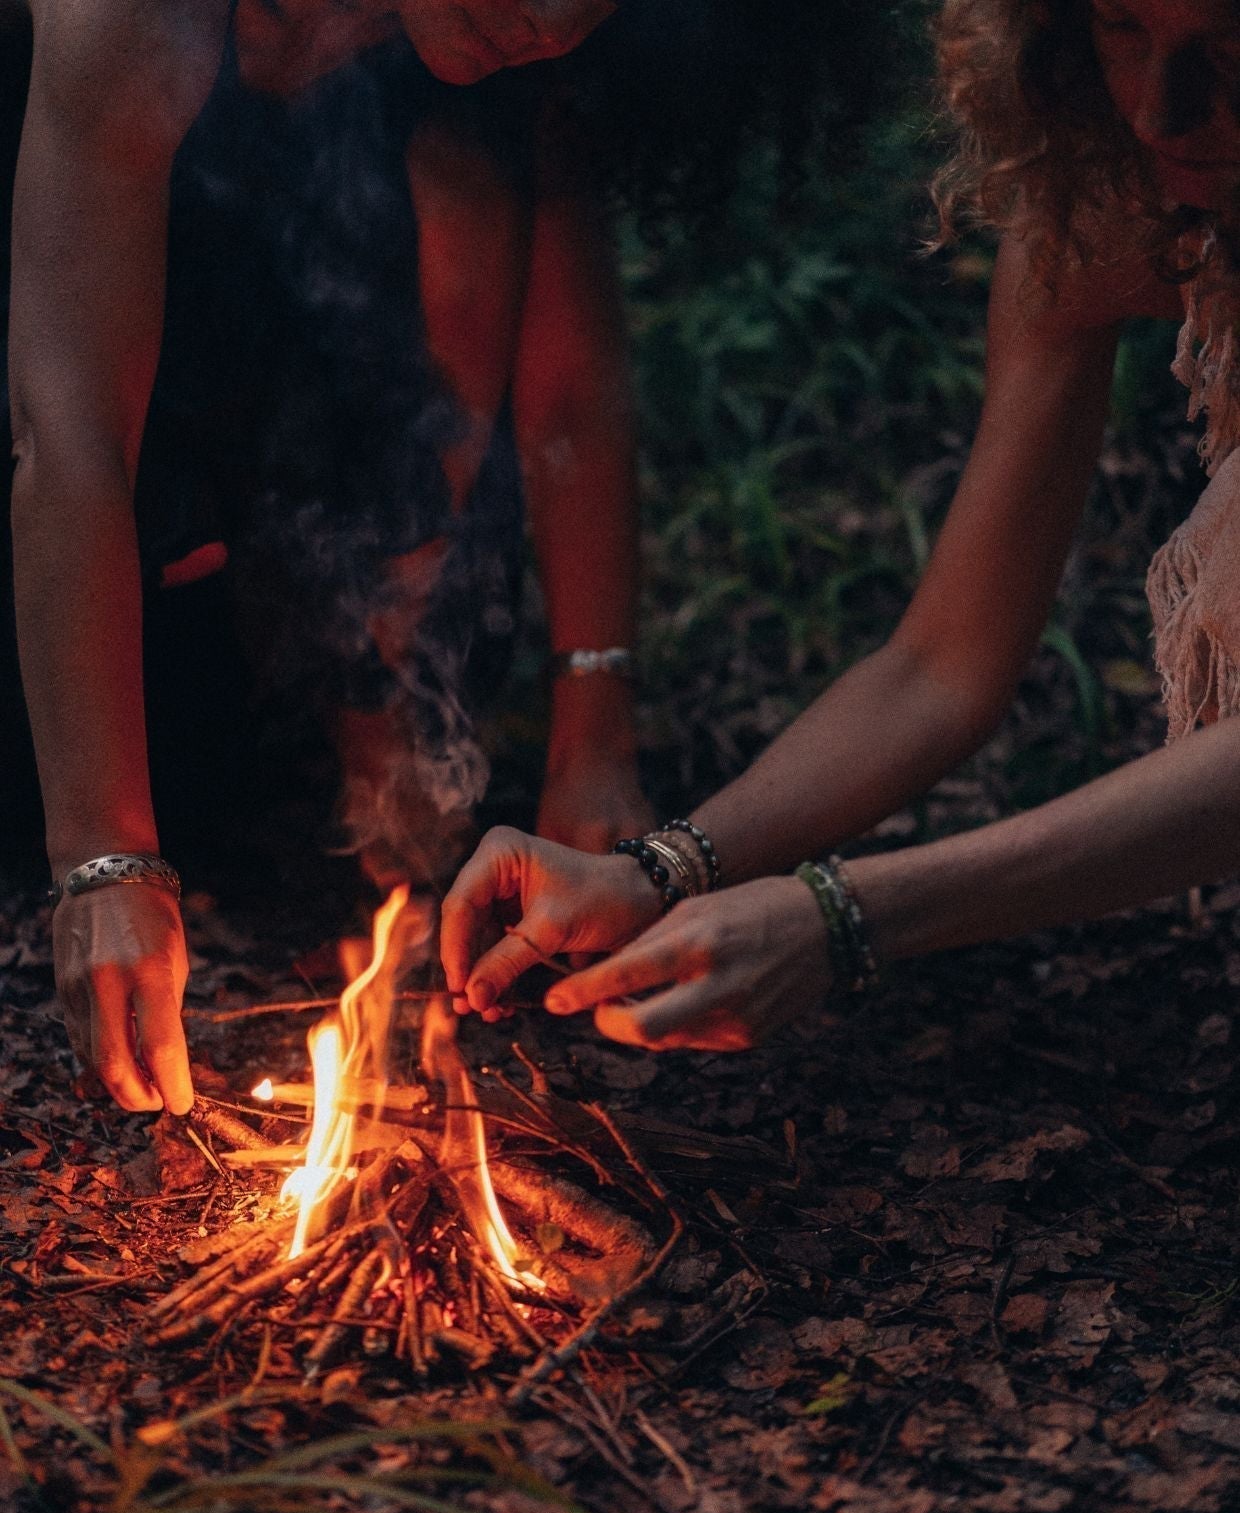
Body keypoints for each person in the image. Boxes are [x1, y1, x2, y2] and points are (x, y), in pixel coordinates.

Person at [9, 0, 890, 1111]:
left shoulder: (510, 34)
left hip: (255, 467)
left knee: (247, 768)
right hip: (51, 326)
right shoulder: (132, 22)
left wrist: (589, 739)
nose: (563, 28)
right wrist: (104, 859)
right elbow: (69, 430)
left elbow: (559, 386)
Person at [442, 0, 1240, 1053]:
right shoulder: (1099, 220)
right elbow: (939, 666)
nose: (1155, 111)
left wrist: (838, 915)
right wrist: (658, 868)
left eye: (1227, 46)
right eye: (1121, 30)